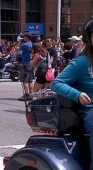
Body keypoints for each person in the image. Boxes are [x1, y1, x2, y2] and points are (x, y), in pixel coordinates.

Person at [51, 18, 93, 170]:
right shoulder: (82, 62)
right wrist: (77, 94)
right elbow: (56, 83)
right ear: (89, 38)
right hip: (90, 111)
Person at [18, 33, 34, 101]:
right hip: (31, 63)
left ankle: (27, 94)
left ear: (27, 37)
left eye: (24, 37)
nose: (23, 38)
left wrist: (19, 41)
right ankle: (31, 94)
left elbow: (18, 48)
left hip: (26, 63)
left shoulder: (25, 44)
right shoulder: (31, 44)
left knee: (25, 80)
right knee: (30, 80)